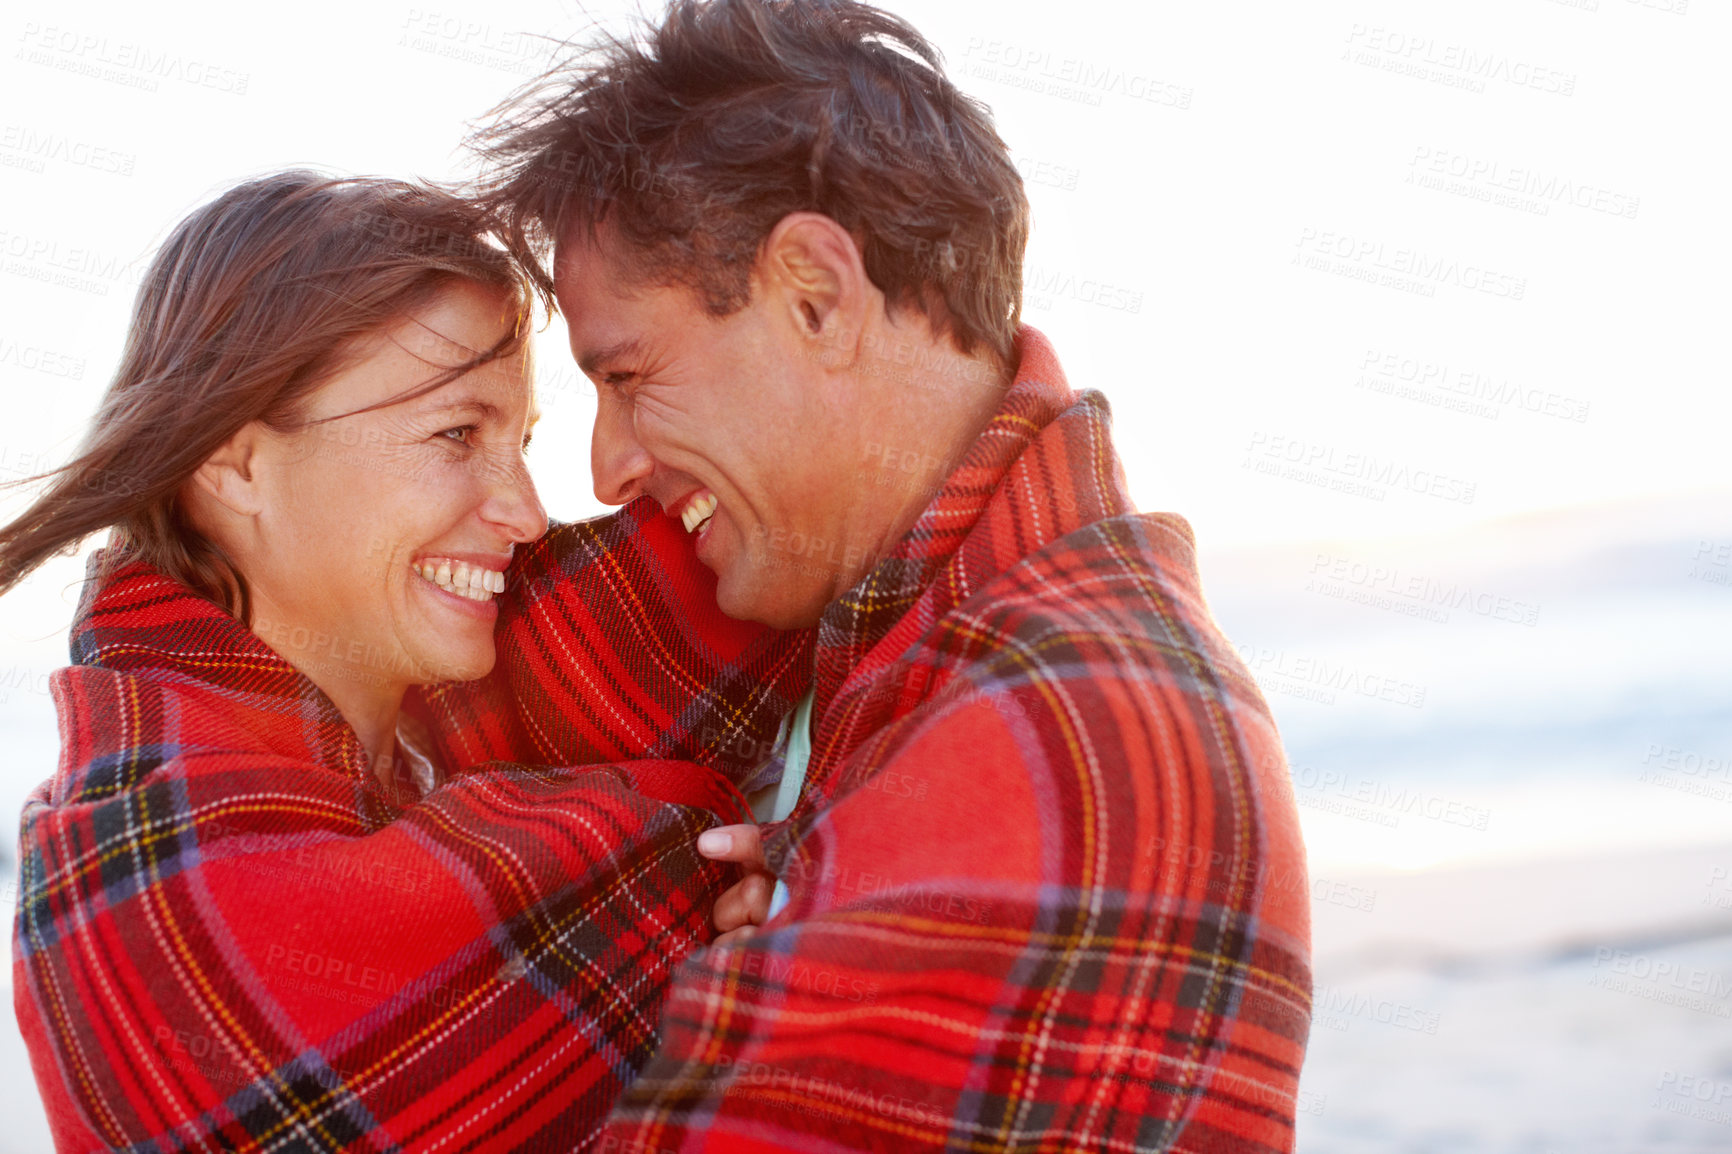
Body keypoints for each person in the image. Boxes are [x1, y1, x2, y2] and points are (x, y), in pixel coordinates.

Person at [449, 0, 1316, 1149]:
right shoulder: (877, 626)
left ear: (816, 292)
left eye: (628, 374)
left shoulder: (1061, 724)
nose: (606, 468)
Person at [4, 171, 806, 1151]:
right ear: (234, 463)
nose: (523, 509)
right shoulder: (150, 884)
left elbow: (779, 519)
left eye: (518, 441)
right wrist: (724, 880)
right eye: (456, 433)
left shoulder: (457, 713)